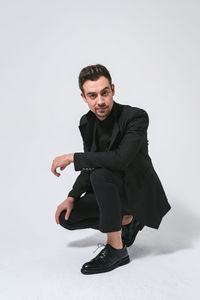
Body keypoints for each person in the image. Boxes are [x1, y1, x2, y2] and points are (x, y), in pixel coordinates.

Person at [51, 64, 171, 275]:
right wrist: (71, 196)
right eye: (93, 95)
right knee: (67, 218)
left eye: (105, 93)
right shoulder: (87, 122)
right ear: (84, 97)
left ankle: (117, 249)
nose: (100, 101)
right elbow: (90, 163)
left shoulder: (136, 117)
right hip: (111, 194)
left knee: (101, 174)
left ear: (113, 90)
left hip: (137, 191)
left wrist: (72, 157)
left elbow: (120, 159)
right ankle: (125, 220)